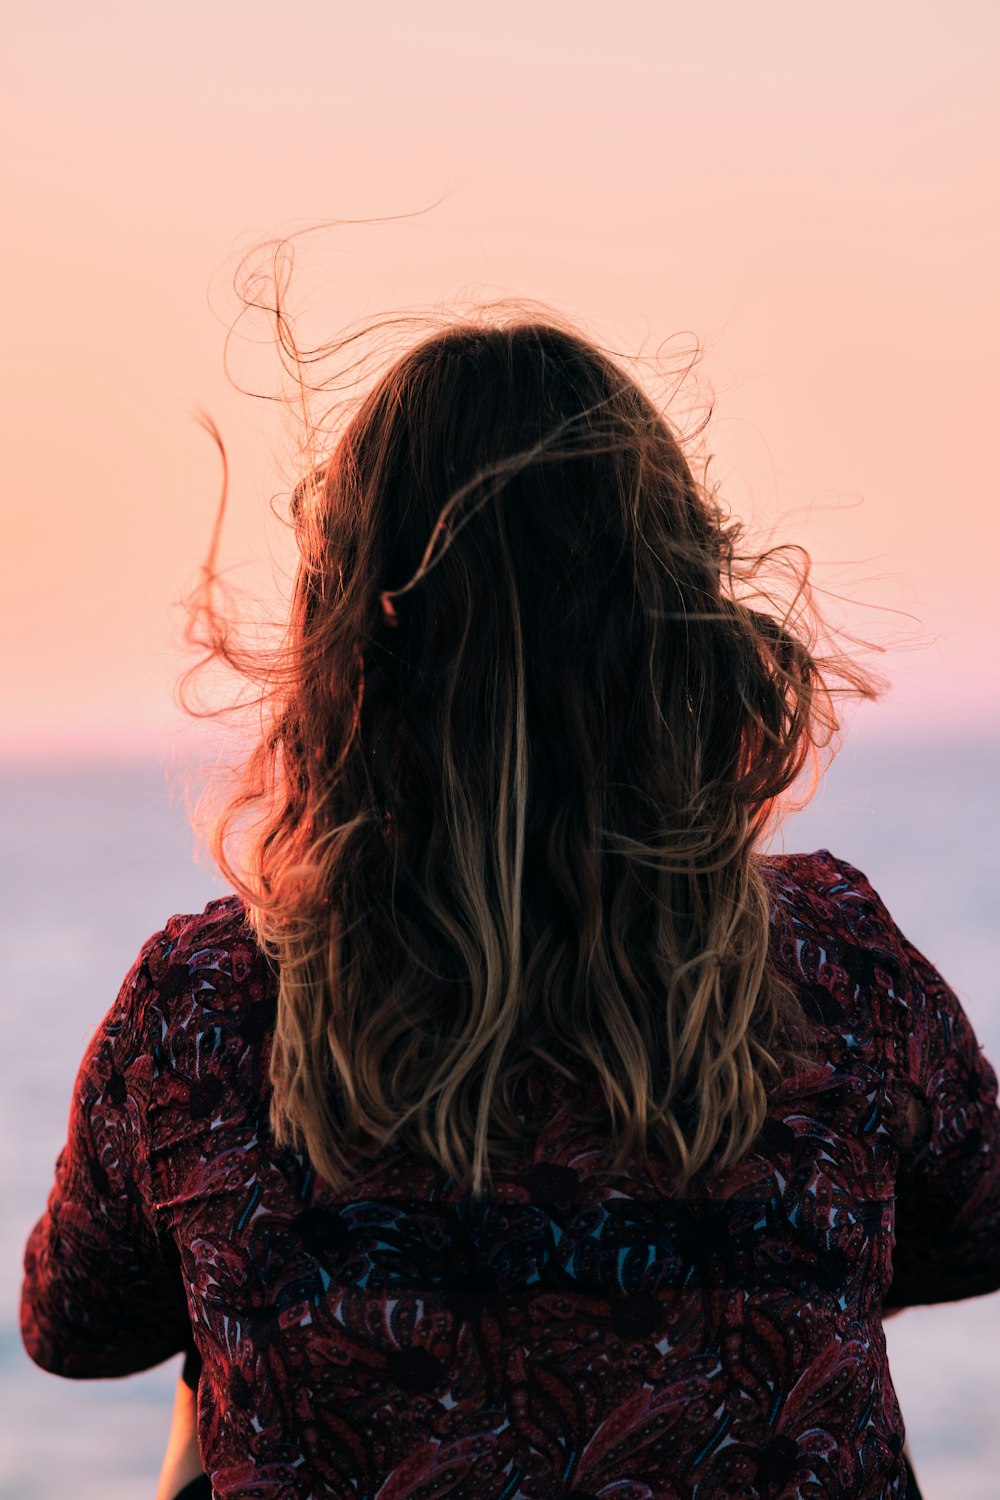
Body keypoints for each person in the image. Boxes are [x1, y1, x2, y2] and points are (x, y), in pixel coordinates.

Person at [20, 310, 1000, 1499]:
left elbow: (74, 1326)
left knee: (209, 1361)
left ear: (349, 640)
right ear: (677, 628)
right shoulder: (836, 969)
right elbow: (973, 1223)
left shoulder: (207, 1013)